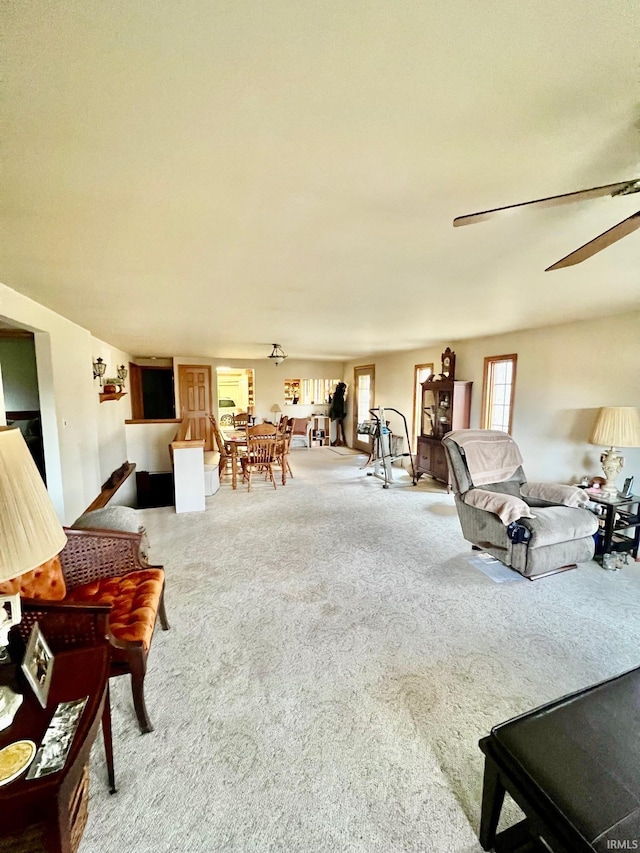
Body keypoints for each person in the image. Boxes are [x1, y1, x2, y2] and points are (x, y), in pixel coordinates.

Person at [329, 382, 347, 446]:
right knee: (339, 425)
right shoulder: (338, 395)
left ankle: (339, 439)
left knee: (339, 425)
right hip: (338, 412)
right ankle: (338, 439)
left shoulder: (337, 395)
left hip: (337, 412)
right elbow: (338, 405)